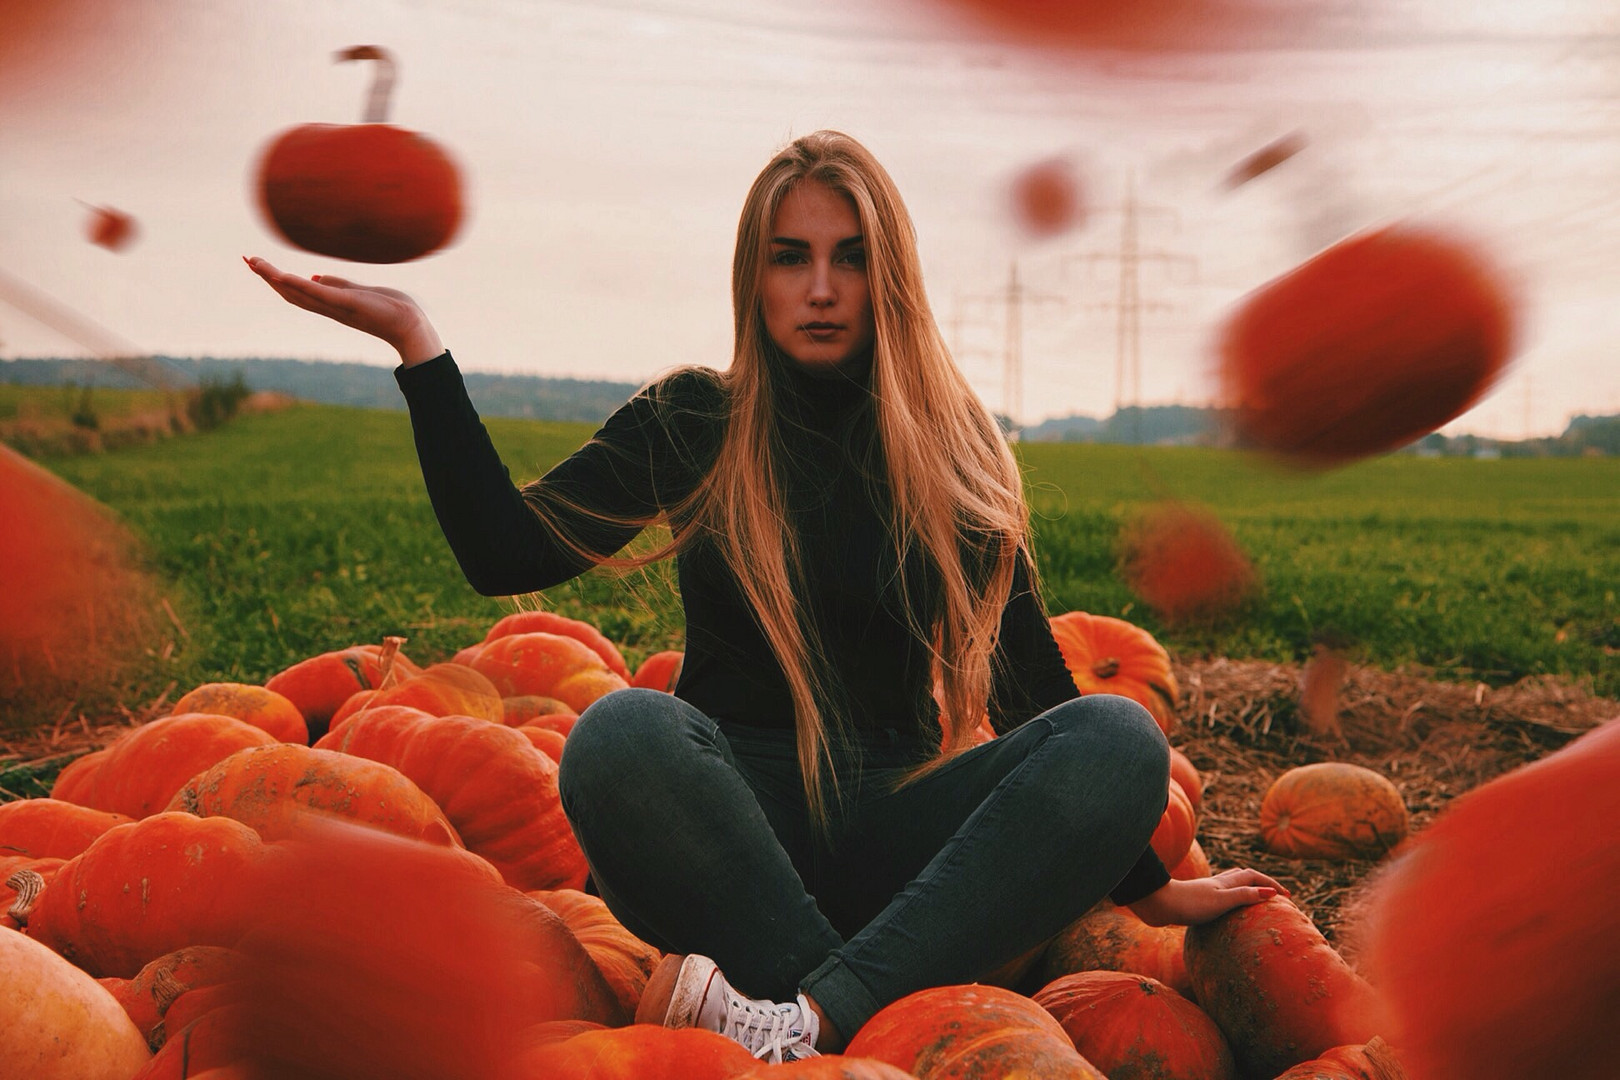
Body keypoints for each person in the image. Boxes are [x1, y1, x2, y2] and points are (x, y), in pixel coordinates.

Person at [247, 130, 1285, 1064]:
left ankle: (805, 1029)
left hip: (894, 829)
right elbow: (502, 550)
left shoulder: (951, 451)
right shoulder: (695, 419)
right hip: (721, 835)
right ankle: (867, 1009)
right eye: (792, 257)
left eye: (850, 258)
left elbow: (1034, 695)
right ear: (757, 276)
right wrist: (420, 349)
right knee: (621, 732)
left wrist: (1151, 884)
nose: (821, 287)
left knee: (1119, 736)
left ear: (891, 278)